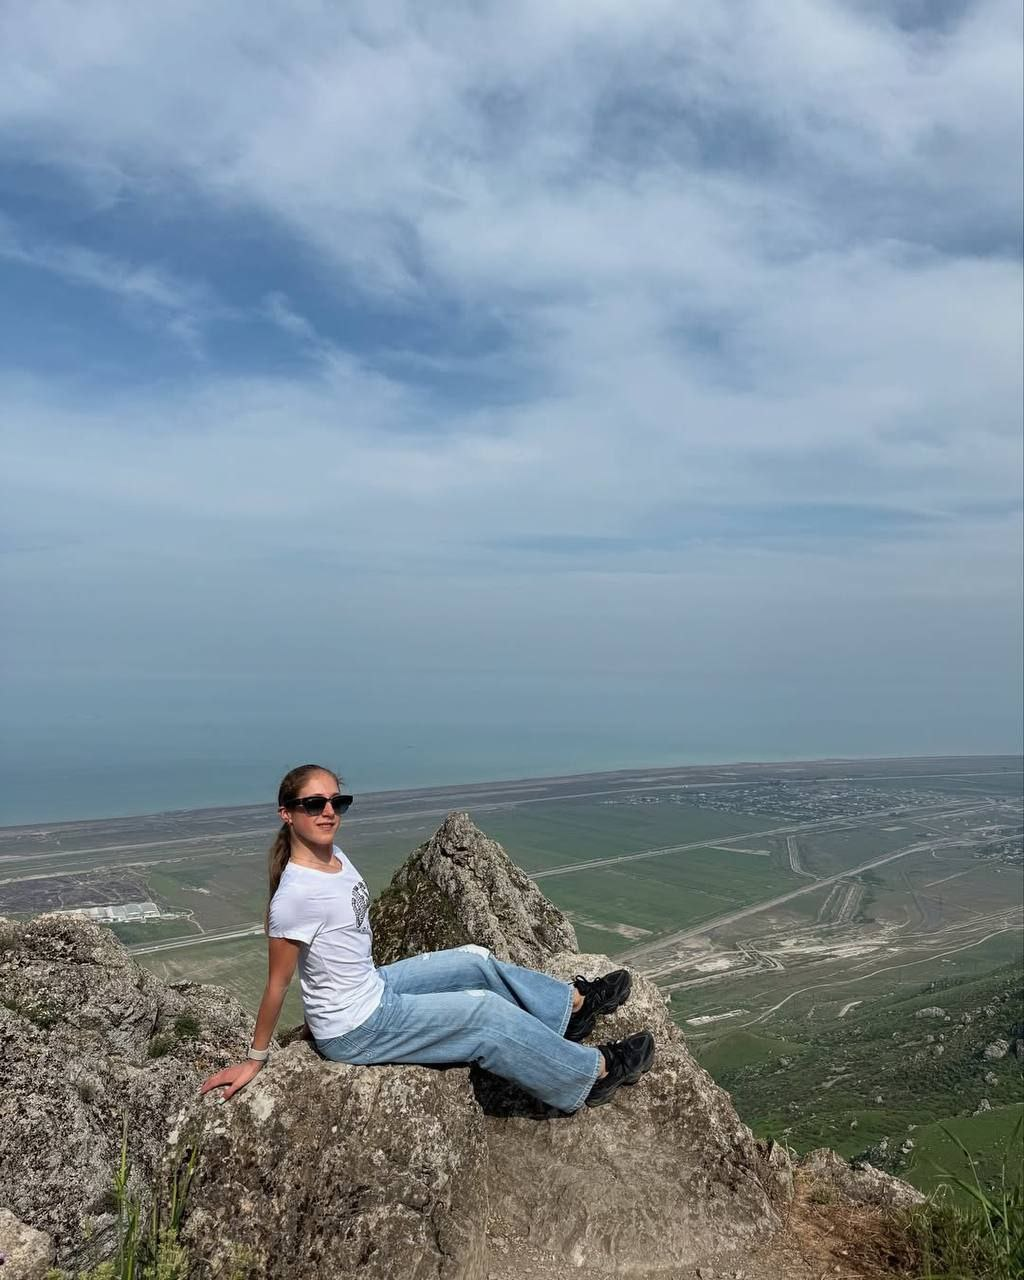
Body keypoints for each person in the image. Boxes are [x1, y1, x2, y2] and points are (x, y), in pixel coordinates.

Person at [200, 764, 656, 1113]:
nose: (328, 812)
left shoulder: (333, 855)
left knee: (473, 960)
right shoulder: (295, 895)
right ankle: (591, 1073)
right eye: (313, 804)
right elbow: (278, 983)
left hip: (371, 987)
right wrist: (256, 1058)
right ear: (287, 813)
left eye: (337, 802)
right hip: (357, 1027)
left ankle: (569, 1007)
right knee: (484, 1016)